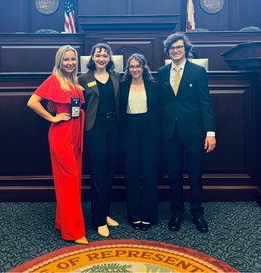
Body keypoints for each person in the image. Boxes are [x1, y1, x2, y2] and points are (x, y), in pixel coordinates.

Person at [27, 45, 88, 245]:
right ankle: (74, 231)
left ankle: (63, 222)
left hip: (76, 135)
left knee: (71, 182)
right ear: (59, 61)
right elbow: (32, 102)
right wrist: (52, 118)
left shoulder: (74, 81)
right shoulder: (54, 79)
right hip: (61, 137)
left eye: (73, 59)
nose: (70, 63)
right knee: (70, 181)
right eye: (66, 59)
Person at [157, 32, 216, 233]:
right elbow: (161, 103)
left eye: (179, 47)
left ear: (186, 49)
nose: (175, 50)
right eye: (172, 48)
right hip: (170, 132)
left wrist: (210, 132)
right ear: (168, 50)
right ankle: (176, 212)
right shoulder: (162, 72)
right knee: (173, 174)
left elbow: (205, 103)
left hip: (194, 132)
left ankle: (197, 213)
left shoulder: (198, 72)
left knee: (194, 174)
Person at [78, 43, 120, 237]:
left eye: (105, 55)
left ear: (110, 58)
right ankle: (98, 219)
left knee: (110, 170)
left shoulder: (116, 77)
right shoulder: (83, 79)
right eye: (98, 55)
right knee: (98, 173)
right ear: (92, 58)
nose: (101, 58)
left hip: (114, 127)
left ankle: (106, 212)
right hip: (95, 128)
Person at [120, 53, 161, 231]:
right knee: (132, 173)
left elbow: (161, 109)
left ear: (144, 68)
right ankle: (135, 215)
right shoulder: (122, 87)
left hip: (149, 130)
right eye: (131, 67)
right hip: (129, 129)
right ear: (128, 69)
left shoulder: (154, 86)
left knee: (150, 173)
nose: (135, 69)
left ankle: (149, 215)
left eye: (138, 66)